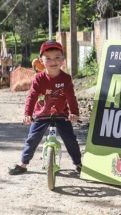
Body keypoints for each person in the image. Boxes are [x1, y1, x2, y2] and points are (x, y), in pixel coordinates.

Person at [9, 40, 82, 175]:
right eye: (48, 58)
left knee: (70, 138)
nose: (53, 61)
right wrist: (28, 114)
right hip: (42, 114)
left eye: (57, 57)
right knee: (33, 137)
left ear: (63, 60)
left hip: (61, 114)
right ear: (41, 62)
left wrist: (74, 113)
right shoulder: (38, 78)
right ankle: (23, 164)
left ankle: (78, 164)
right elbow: (32, 97)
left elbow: (71, 97)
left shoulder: (66, 79)